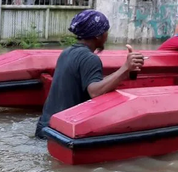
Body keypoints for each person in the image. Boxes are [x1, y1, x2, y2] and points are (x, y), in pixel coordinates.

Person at [35, 10, 145, 139]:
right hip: (60, 134)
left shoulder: (66, 53)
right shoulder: (90, 58)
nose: (107, 35)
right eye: (105, 31)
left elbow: (95, 82)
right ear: (98, 35)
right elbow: (95, 91)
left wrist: (127, 72)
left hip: (45, 128)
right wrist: (125, 68)